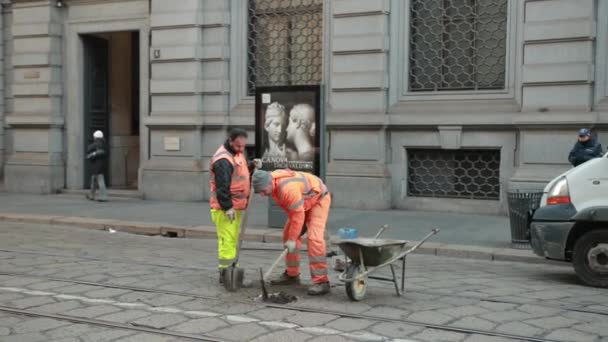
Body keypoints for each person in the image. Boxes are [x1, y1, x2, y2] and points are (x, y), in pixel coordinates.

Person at [251, 168, 331, 295]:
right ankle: (292, 274)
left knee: (314, 238)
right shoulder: (274, 186)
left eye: (262, 191)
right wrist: (294, 234)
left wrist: (294, 238)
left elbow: (297, 214)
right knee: (288, 234)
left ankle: (322, 281)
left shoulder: (287, 189)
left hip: (319, 200)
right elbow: (294, 213)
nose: (262, 194)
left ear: (268, 183)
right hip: (304, 202)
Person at [209, 128, 252, 283]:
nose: (241, 150)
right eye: (238, 146)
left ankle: (232, 270)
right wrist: (228, 207)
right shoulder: (223, 160)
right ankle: (226, 275)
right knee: (227, 241)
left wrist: (252, 166)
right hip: (225, 209)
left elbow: (239, 175)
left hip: (236, 206)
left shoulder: (236, 154)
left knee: (232, 240)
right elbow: (222, 187)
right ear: (230, 141)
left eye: (243, 147)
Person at [86, 130, 108, 202]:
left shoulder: (97, 144)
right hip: (100, 165)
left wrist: (92, 154)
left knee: (100, 181)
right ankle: (91, 195)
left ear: (95, 137)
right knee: (94, 181)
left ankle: (103, 197)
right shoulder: (104, 143)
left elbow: (90, 149)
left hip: (97, 166)